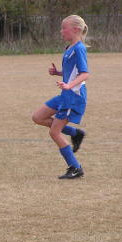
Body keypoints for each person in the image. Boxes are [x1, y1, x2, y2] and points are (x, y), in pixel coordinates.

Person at [32, 15, 90, 179]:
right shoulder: (69, 48)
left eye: (64, 28)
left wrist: (70, 85)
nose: (61, 31)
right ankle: (74, 133)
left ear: (76, 30)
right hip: (65, 94)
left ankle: (75, 167)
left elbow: (85, 74)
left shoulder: (79, 48)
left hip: (73, 96)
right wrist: (58, 73)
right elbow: (73, 72)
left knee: (54, 132)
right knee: (38, 117)